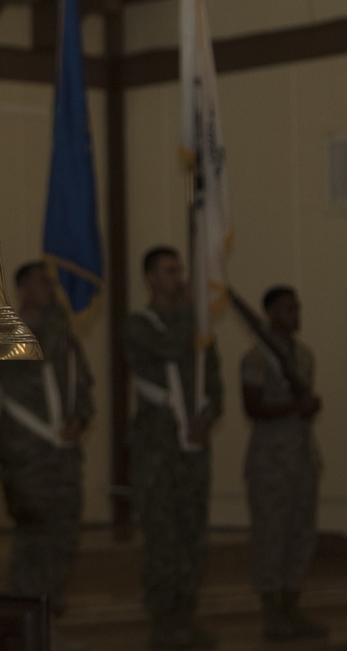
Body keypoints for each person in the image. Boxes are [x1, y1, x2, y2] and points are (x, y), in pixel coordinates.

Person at [123, 246, 222, 650]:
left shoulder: (198, 328)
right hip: (156, 447)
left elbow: (213, 379)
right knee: (162, 536)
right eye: (169, 271)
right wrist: (189, 310)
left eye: (180, 270)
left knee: (193, 534)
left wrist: (208, 414)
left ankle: (187, 613)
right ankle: (163, 619)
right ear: (150, 279)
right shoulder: (138, 324)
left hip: (193, 447)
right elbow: (168, 347)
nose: (178, 278)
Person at [0, 262, 93, 624]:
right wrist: (59, 319)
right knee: (33, 541)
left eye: (51, 282)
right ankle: (24, 623)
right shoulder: (8, 332)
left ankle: (50, 616)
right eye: (41, 283)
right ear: (23, 291)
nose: (51, 288)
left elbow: (81, 383)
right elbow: (30, 366)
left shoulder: (64, 336)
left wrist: (80, 416)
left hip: (62, 455)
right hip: (27, 455)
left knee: (64, 536)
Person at [240, 285, 326, 640]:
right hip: (271, 460)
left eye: (298, 308)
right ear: (271, 313)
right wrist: (297, 407)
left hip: (302, 457)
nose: (296, 315)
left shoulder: (303, 355)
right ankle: (271, 613)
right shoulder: (257, 358)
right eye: (289, 309)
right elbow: (253, 407)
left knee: (301, 534)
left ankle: (292, 606)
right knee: (271, 536)